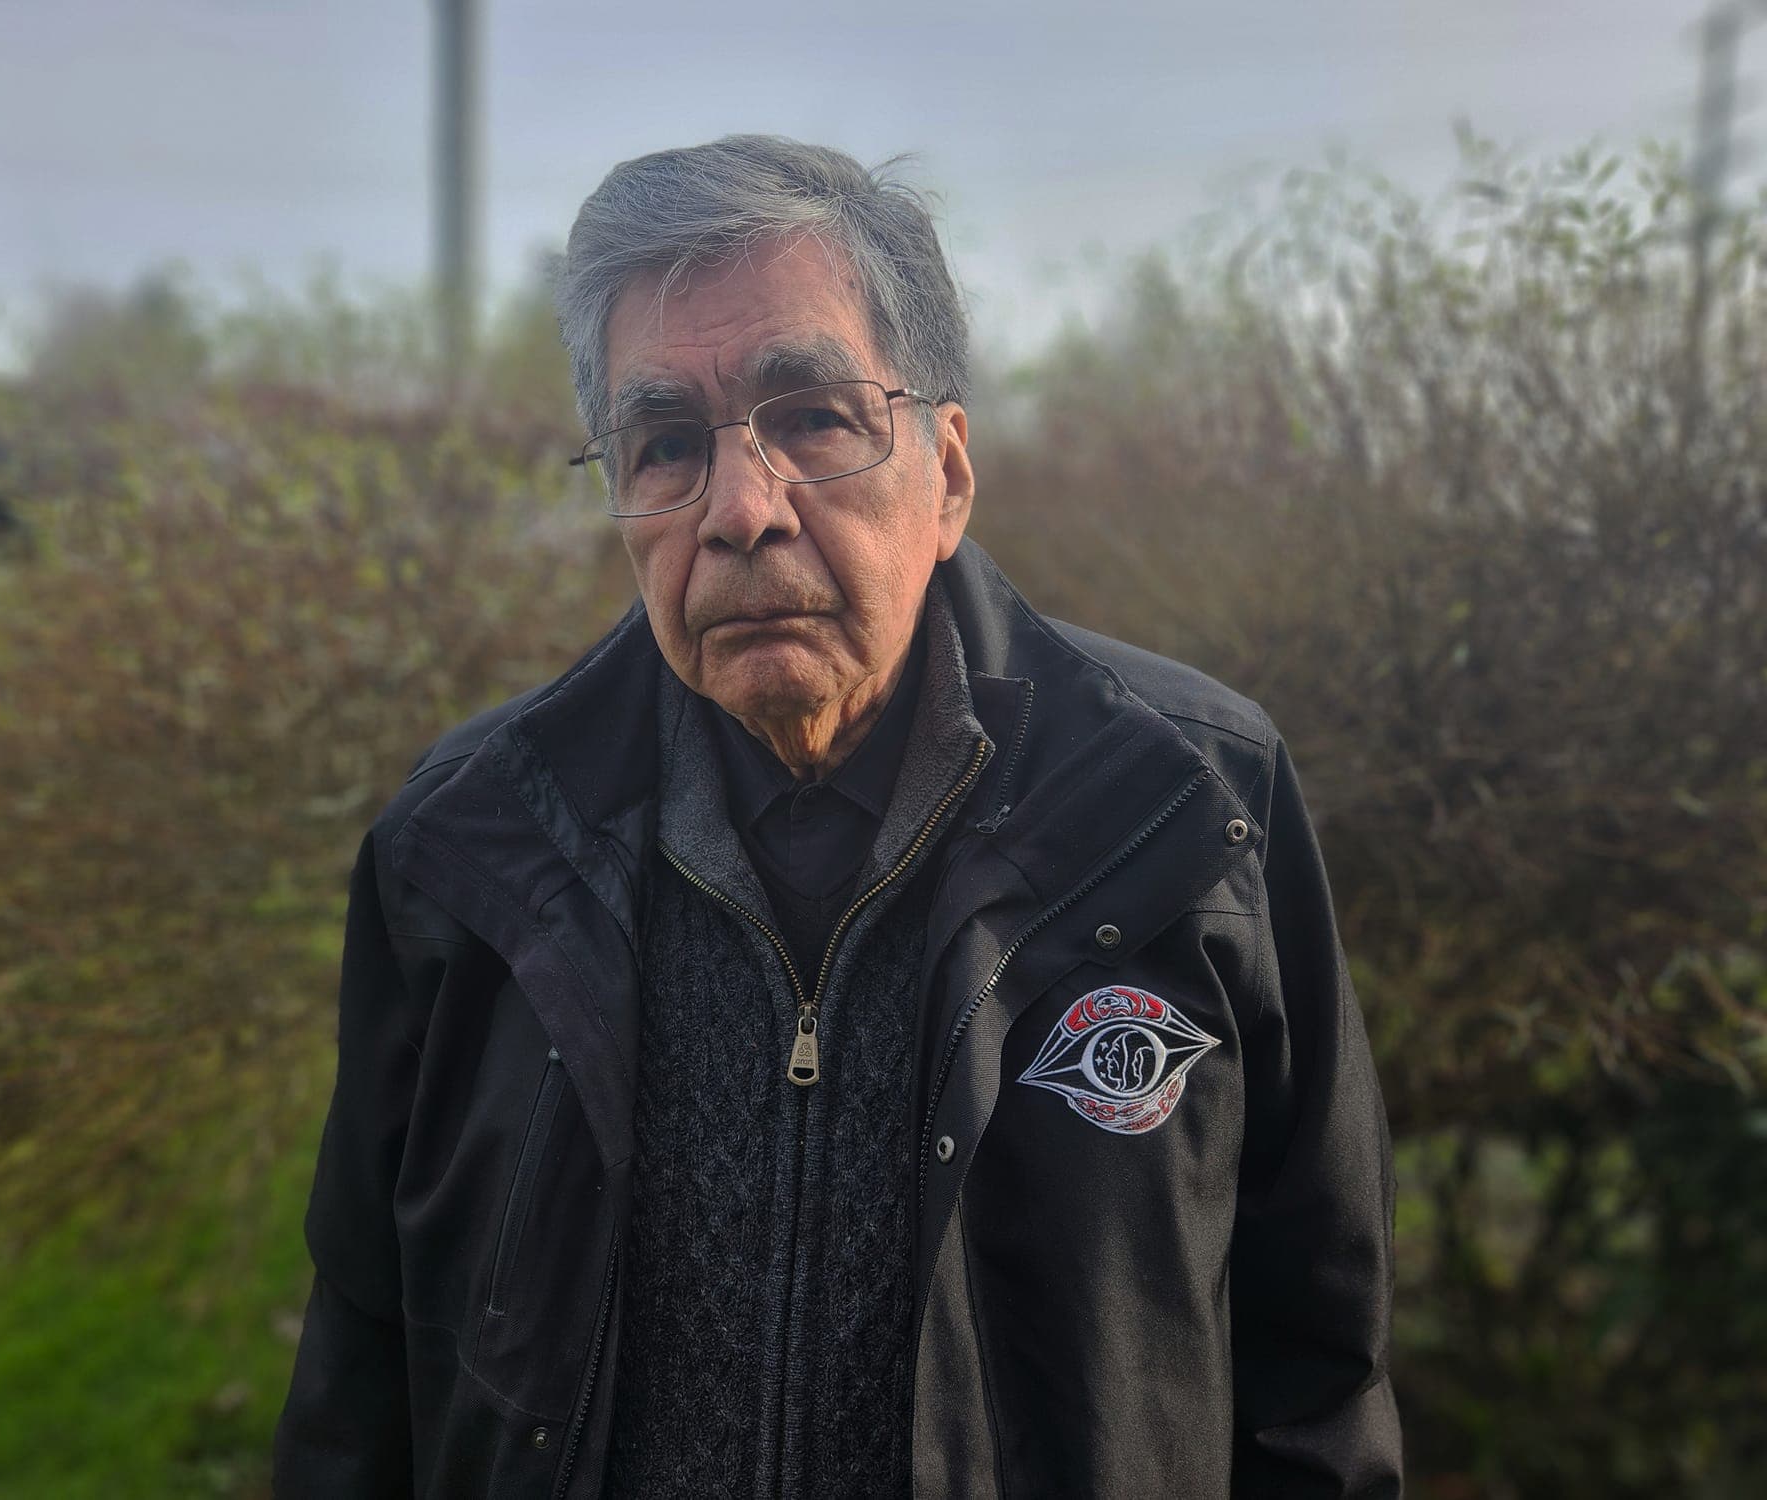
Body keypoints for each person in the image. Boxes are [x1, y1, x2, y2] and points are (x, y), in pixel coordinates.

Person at [273, 135, 1402, 1500]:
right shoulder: (464, 855)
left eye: (812, 418)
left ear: (951, 472)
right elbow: (363, 1386)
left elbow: (1317, 1378)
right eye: (667, 446)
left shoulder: (1188, 813)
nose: (743, 510)